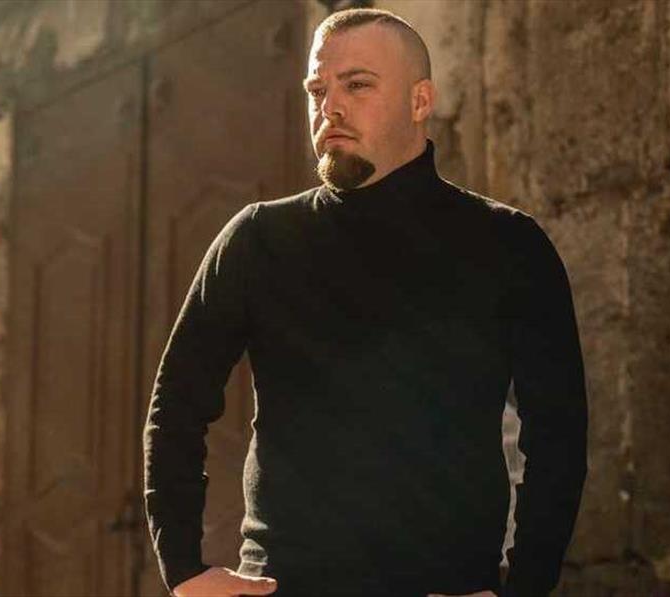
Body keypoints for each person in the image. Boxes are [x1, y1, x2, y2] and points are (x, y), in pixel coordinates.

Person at [143, 8, 588, 597]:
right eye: (317, 90)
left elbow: (558, 431)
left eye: (356, 85)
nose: (329, 107)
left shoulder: (508, 244)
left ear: (420, 100)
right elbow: (176, 406)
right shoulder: (258, 240)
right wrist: (183, 571)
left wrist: (526, 587)